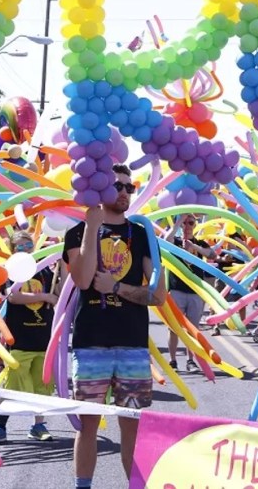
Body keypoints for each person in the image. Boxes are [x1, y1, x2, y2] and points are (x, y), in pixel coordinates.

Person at [65, 164, 164, 488]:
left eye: (128, 187)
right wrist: (93, 227)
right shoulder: (77, 233)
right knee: (88, 425)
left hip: (132, 346)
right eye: (116, 186)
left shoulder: (142, 236)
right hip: (91, 343)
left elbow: (158, 295)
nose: (123, 192)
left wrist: (117, 288)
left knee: (132, 427)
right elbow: (82, 279)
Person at [0, 229, 58, 444]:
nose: (26, 249)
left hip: (44, 336)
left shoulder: (45, 271)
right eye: (21, 246)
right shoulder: (12, 271)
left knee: (42, 385)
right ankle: (0, 427)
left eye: (29, 245)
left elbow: (58, 295)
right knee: (12, 383)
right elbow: (14, 297)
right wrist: (45, 296)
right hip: (19, 337)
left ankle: (38, 425)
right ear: (13, 250)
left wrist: (61, 272)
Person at [164, 213, 214, 370]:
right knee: (173, 328)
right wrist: (179, 221)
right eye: (185, 223)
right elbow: (165, 241)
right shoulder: (176, 243)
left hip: (194, 292)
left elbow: (212, 255)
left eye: (190, 223)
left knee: (193, 329)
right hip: (177, 290)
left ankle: (190, 360)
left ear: (195, 225)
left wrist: (195, 247)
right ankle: (173, 361)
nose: (187, 226)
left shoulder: (199, 243)